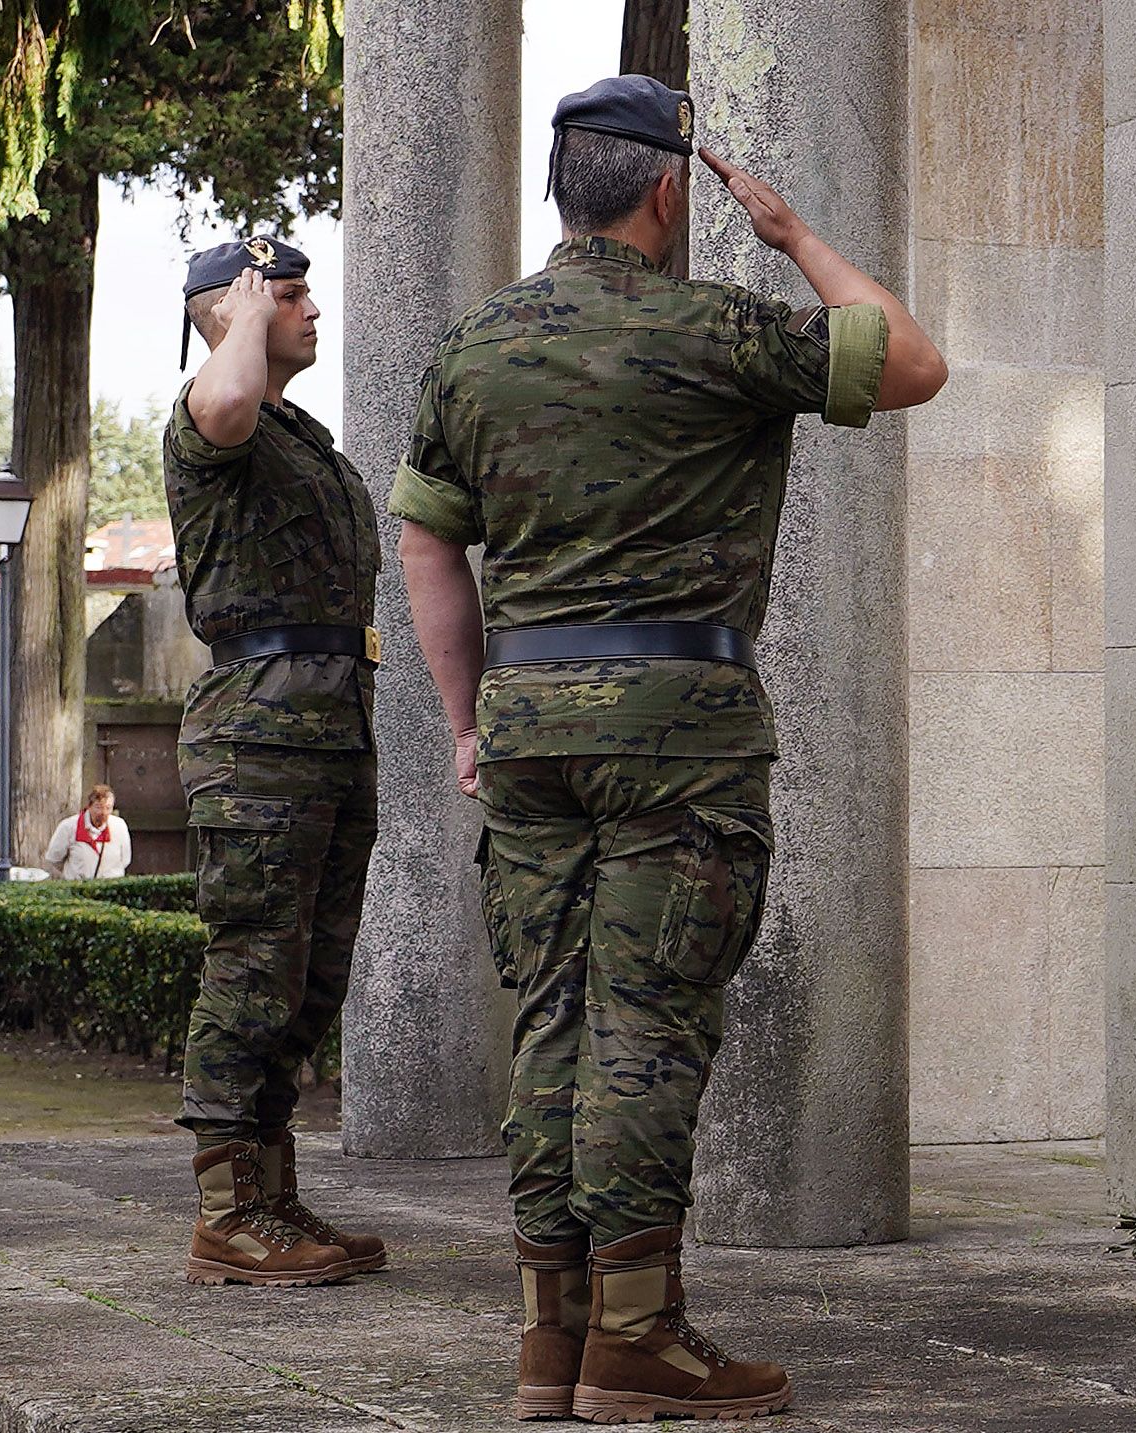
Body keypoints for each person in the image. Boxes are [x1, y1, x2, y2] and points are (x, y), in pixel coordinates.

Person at [391, 74, 947, 1423]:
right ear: (665, 190)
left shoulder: (474, 349)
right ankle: (636, 1340)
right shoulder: (719, 333)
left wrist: (467, 726)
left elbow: (424, 545)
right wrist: (797, 235)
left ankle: (549, 1338)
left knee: (551, 1022)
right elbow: (912, 360)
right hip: (674, 734)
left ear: (556, 189)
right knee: (641, 1027)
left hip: (525, 728)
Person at [164, 233, 384, 1287]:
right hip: (258, 730)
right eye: (287, 295)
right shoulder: (213, 414)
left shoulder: (302, 435)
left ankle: (272, 1190)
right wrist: (242, 320)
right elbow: (222, 407)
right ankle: (225, 1211)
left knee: (309, 974)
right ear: (229, 311)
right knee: (252, 963)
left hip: (330, 726)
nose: (311, 309)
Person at [40, 783, 131, 880]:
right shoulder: (68, 826)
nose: (103, 813)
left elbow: (125, 859)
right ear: (89, 807)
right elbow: (54, 858)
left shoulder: (119, 826)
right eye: (98, 807)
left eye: (108, 808)